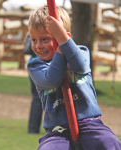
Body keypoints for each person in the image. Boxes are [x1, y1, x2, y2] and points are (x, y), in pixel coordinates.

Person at [27, 5, 121, 150]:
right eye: (34, 40)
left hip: (91, 124)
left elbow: (81, 66)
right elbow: (52, 79)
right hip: (57, 130)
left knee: (109, 142)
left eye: (45, 39)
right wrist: (60, 48)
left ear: (65, 36)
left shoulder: (81, 52)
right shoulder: (36, 65)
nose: (38, 45)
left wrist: (62, 41)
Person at [25, 35, 43, 134]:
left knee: (37, 98)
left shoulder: (33, 31)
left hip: (32, 65)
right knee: (39, 98)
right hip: (41, 65)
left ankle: (33, 128)